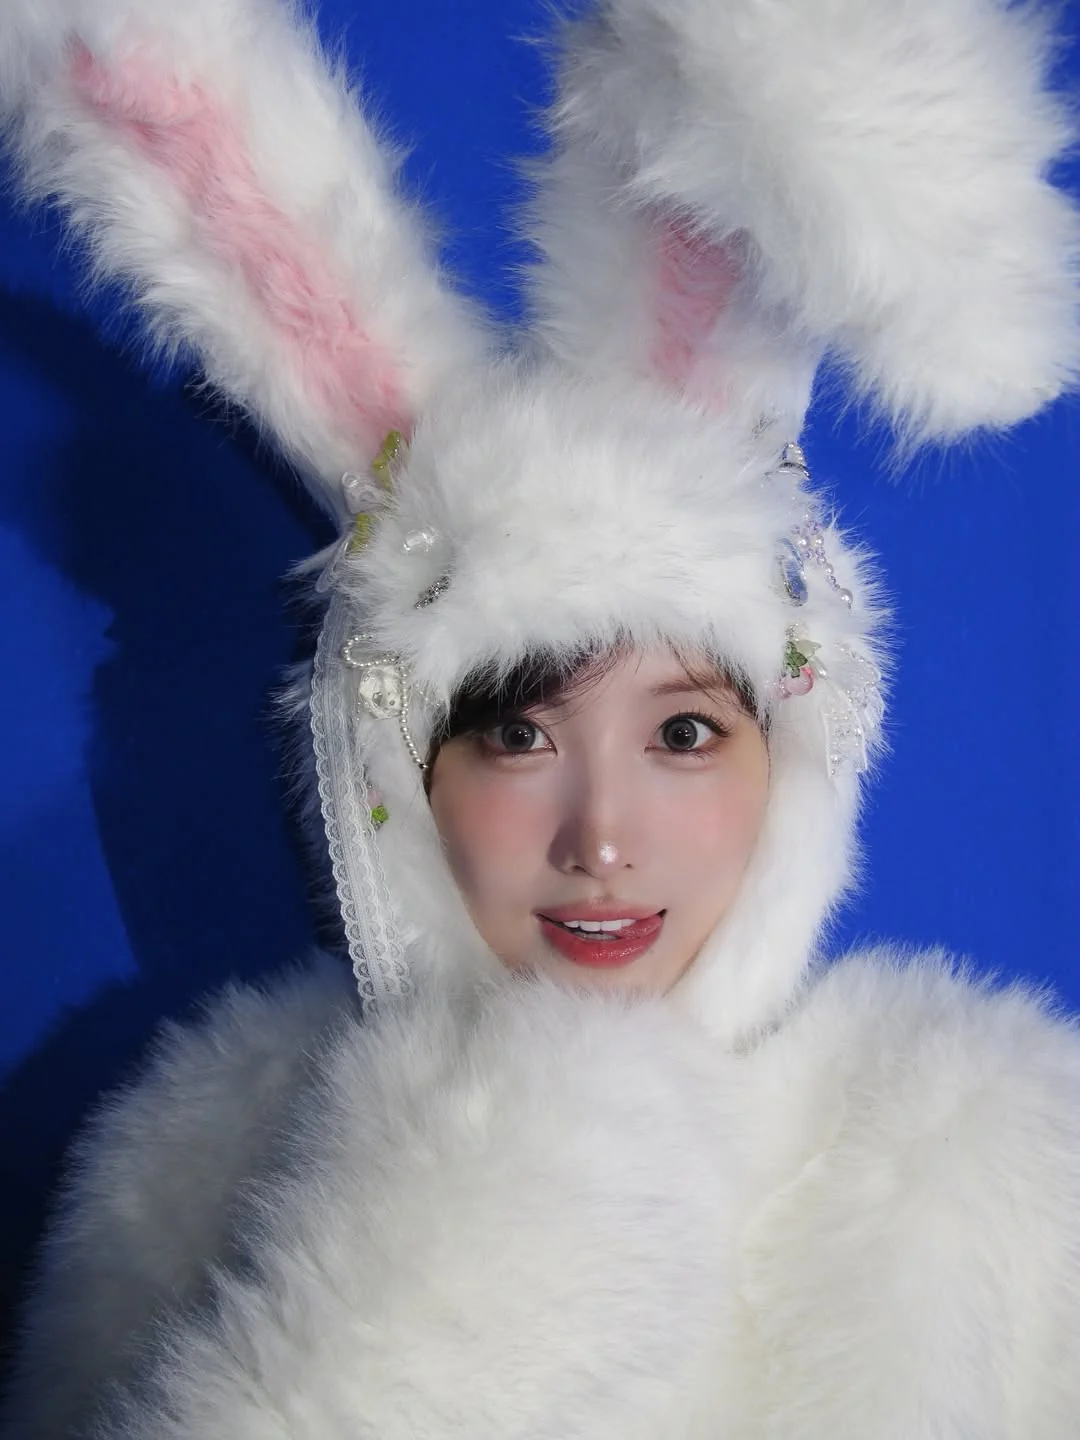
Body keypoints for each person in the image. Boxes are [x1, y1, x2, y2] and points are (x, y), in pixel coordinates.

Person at [1, 0, 1078, 1435]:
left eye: (683, 735)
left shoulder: (983, 1158)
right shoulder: (197, 1162)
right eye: (516, 734)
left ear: (794, 753)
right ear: (395, 772)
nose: (602, 840)